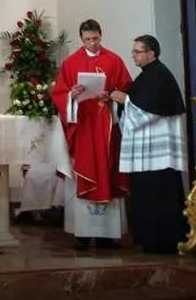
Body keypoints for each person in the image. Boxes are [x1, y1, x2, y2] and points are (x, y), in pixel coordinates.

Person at [51, 18, 132, 250]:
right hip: (83, 127)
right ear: (82, 38)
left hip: (106, 125)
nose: (92, 43)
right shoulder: (71, 63)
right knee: (84, 171)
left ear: (101, 35)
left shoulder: (114, 60)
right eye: (88, 39)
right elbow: (59, 93)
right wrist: (71, 96)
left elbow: (126, 88)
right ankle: (83, 233)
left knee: (107, 172)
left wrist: (112, 96)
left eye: (96, 38)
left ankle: (108, 234)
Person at [110, 34, 187, 255]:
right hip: (148, 153)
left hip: (156, 153)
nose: (133, 55)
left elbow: (149, 110)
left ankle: (163, 241)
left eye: (137, 51)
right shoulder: (148, 76)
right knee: (147, 194)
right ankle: (151, 240)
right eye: (133, 51)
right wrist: (124, 101)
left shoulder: (158, 76)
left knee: (159, 195)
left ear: (151, 53)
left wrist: (124, 100)